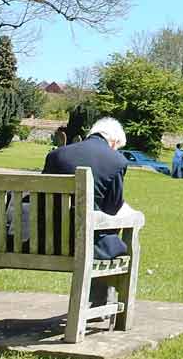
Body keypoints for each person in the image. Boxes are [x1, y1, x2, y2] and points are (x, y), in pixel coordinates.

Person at [43, 117, 143, 316]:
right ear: (114, 142)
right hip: (82, 243)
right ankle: (100, 303)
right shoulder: (117, 161)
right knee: (108, 240)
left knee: (98, 234)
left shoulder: (56, 155)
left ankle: (98, 301)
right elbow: (112, 209)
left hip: (46, 240)